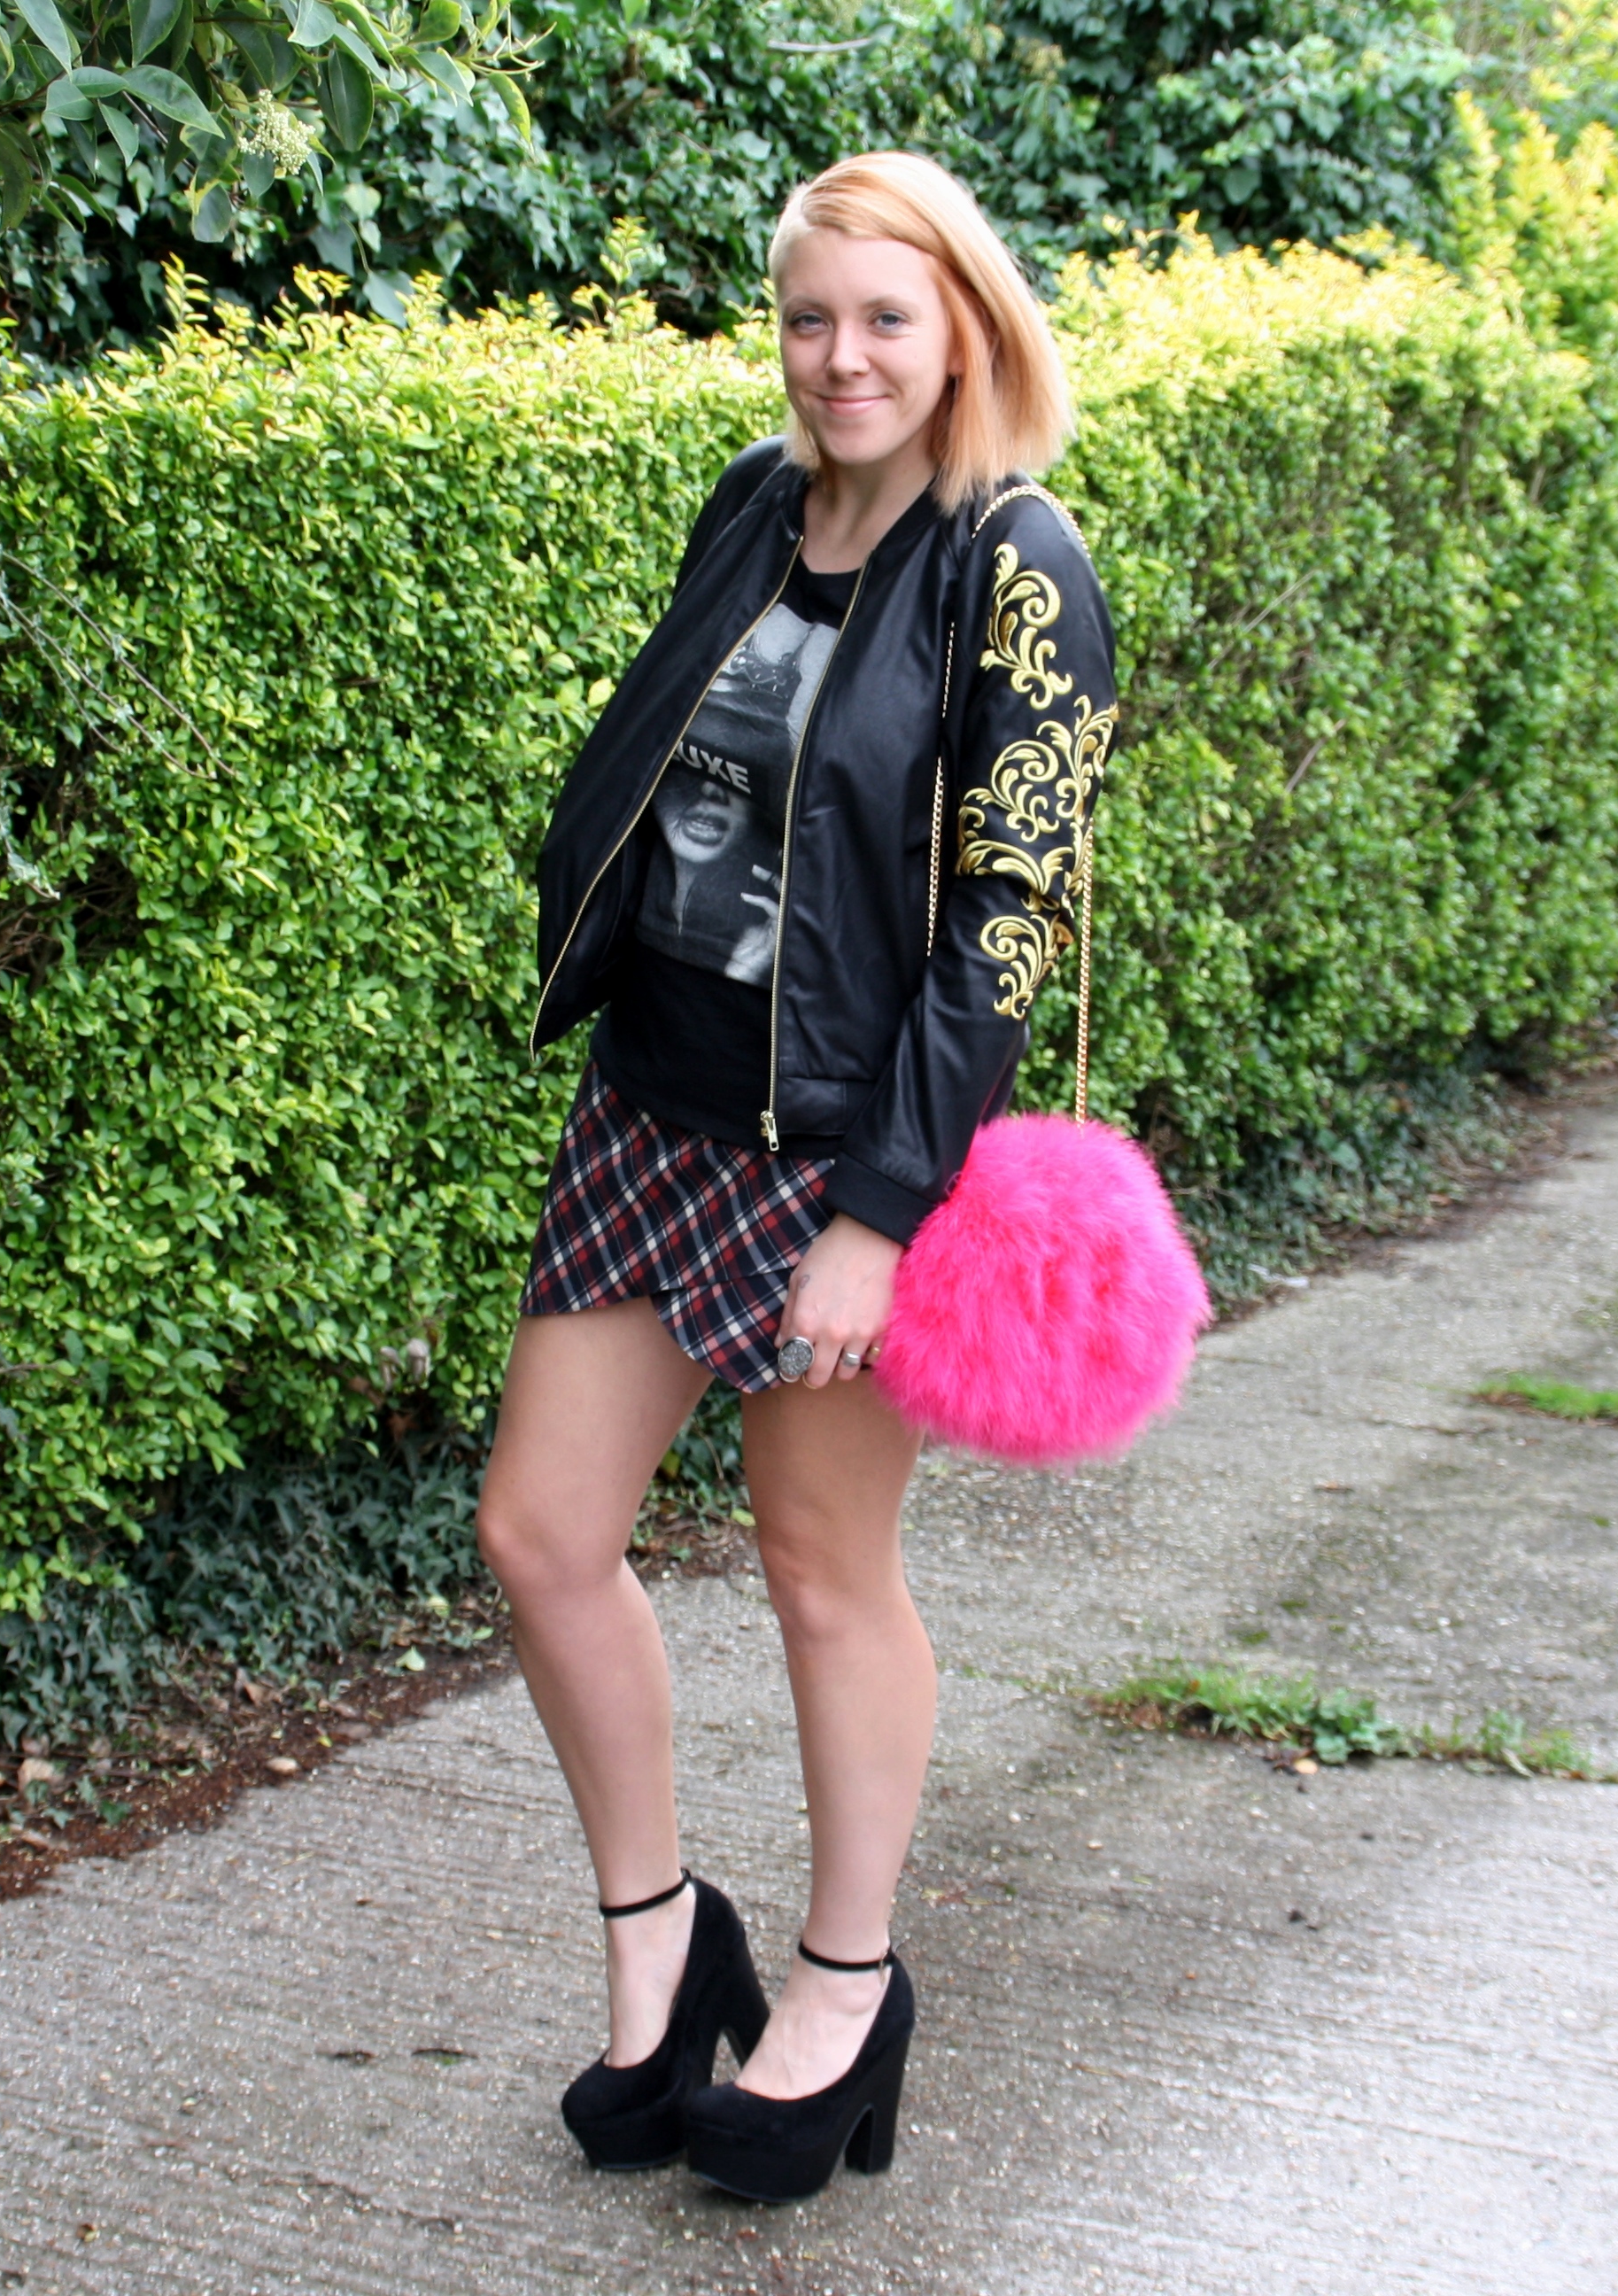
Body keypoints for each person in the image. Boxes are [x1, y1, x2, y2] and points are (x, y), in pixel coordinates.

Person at [476, 149, 1117, 2204]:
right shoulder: (756, 506)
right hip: (654, 1109)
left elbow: (1006, 921)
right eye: (811, 317)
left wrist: (879, 1218)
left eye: (886, 318)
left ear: (965, 329)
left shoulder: (1018, 564)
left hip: (842, 1152)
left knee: (823, 1567)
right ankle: (666, 1944)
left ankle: (848, 1985)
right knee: (538, 1534)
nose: (843, 357)